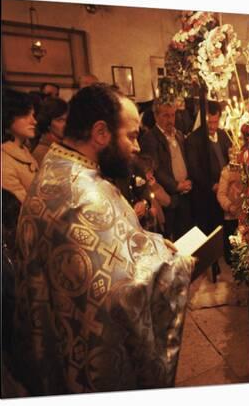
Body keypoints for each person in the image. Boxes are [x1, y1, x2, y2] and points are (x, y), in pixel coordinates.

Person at [12, 84, 193, 395]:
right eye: (132, 136)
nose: (137, 148)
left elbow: (105, 252)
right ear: (100, 133)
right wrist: (176, 266)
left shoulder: (58, 169)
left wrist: (148, 243)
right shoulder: (84, 194)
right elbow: (118, 293)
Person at [139, 99, 193, 240]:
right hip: (168, 197)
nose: (170, 119)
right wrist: (176, 186)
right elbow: (154, 169)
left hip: (185, 194)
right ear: (156, 116)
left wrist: (188, 181)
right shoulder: (150, 138)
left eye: (173, 115)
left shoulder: (179, 135)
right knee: (172, 238)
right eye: (165, 115)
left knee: (187, 235)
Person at [186, 101, 231, 235]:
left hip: (225, 191)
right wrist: (212, 185)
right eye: (209, 123)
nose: (212, 127)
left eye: (215, 122)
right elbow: (194, 169)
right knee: (211, 232)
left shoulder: (223, 135)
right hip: (207, 196)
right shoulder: (194, 140)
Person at [1, 89, 39, 203]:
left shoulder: (23, 150)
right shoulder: (4, 161)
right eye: (26, 114)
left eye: (33, 115)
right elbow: (22, 207)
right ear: (9, 116)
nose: (34, 121)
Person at [217, 147, 244, 265]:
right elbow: (221, 194)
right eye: (232, 155)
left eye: (237, 154)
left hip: (244, 213)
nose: (234, 157)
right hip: (231, 214)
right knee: (231, 242)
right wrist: (229, 206)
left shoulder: (245, 169)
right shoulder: (226, 172)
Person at [32, 97, 68, 165]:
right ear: (47, 123)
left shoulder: (61, 146)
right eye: (60, 120)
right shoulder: (43, 153)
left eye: (67, 120)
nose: (66, 125)